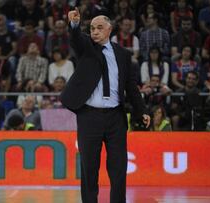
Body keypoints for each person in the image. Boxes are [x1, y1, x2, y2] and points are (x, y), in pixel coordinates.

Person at [60, 8, 151, 203]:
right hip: (89, 117)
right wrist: (75, 25)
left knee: (119, 168)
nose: (94, 31)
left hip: (116, 118)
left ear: (109, 29)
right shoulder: (86, 47)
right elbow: (76, 39)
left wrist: (141, 110)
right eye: (92, 28)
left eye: (99, 28)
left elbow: (131, 87)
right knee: (89, 169)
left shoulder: (123, 55)